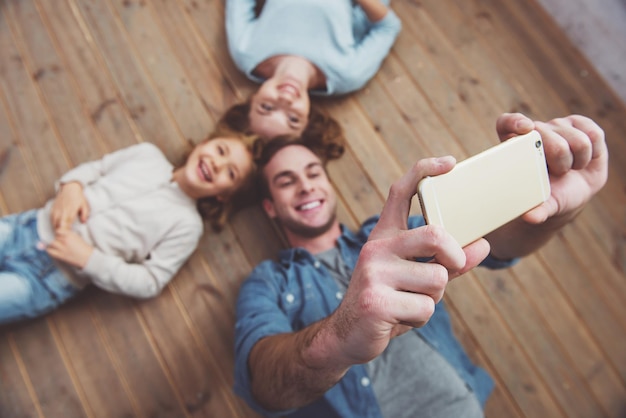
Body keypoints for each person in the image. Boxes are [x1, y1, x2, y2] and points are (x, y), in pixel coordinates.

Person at [233, 113, 609, 417]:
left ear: (328, 183)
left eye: (313, 173)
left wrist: (555, 210)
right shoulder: (267, 283)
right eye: (286, 181)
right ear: (270, 206)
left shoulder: (403, 238)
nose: (305, 186)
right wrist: (338, 337)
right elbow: (263, 384)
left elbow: (499, 242)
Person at [0, 129, 261, 325]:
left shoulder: (187, 226)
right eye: (220, 150)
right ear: (205, 143)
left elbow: (150, 281)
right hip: (22, 229)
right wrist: (71, 186)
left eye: (231, 173)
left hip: (45, 280)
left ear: (224, 195)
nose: (217, 163)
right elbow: (97, 169)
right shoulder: (147, 155)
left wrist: (89, 259)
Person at [222, 0, 402, 140]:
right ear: (307, 120)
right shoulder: (347, 74)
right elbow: (388, 27)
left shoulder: (246, 53)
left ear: (252, 100)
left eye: (266, 107)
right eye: (293, 119)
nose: (285, 99)